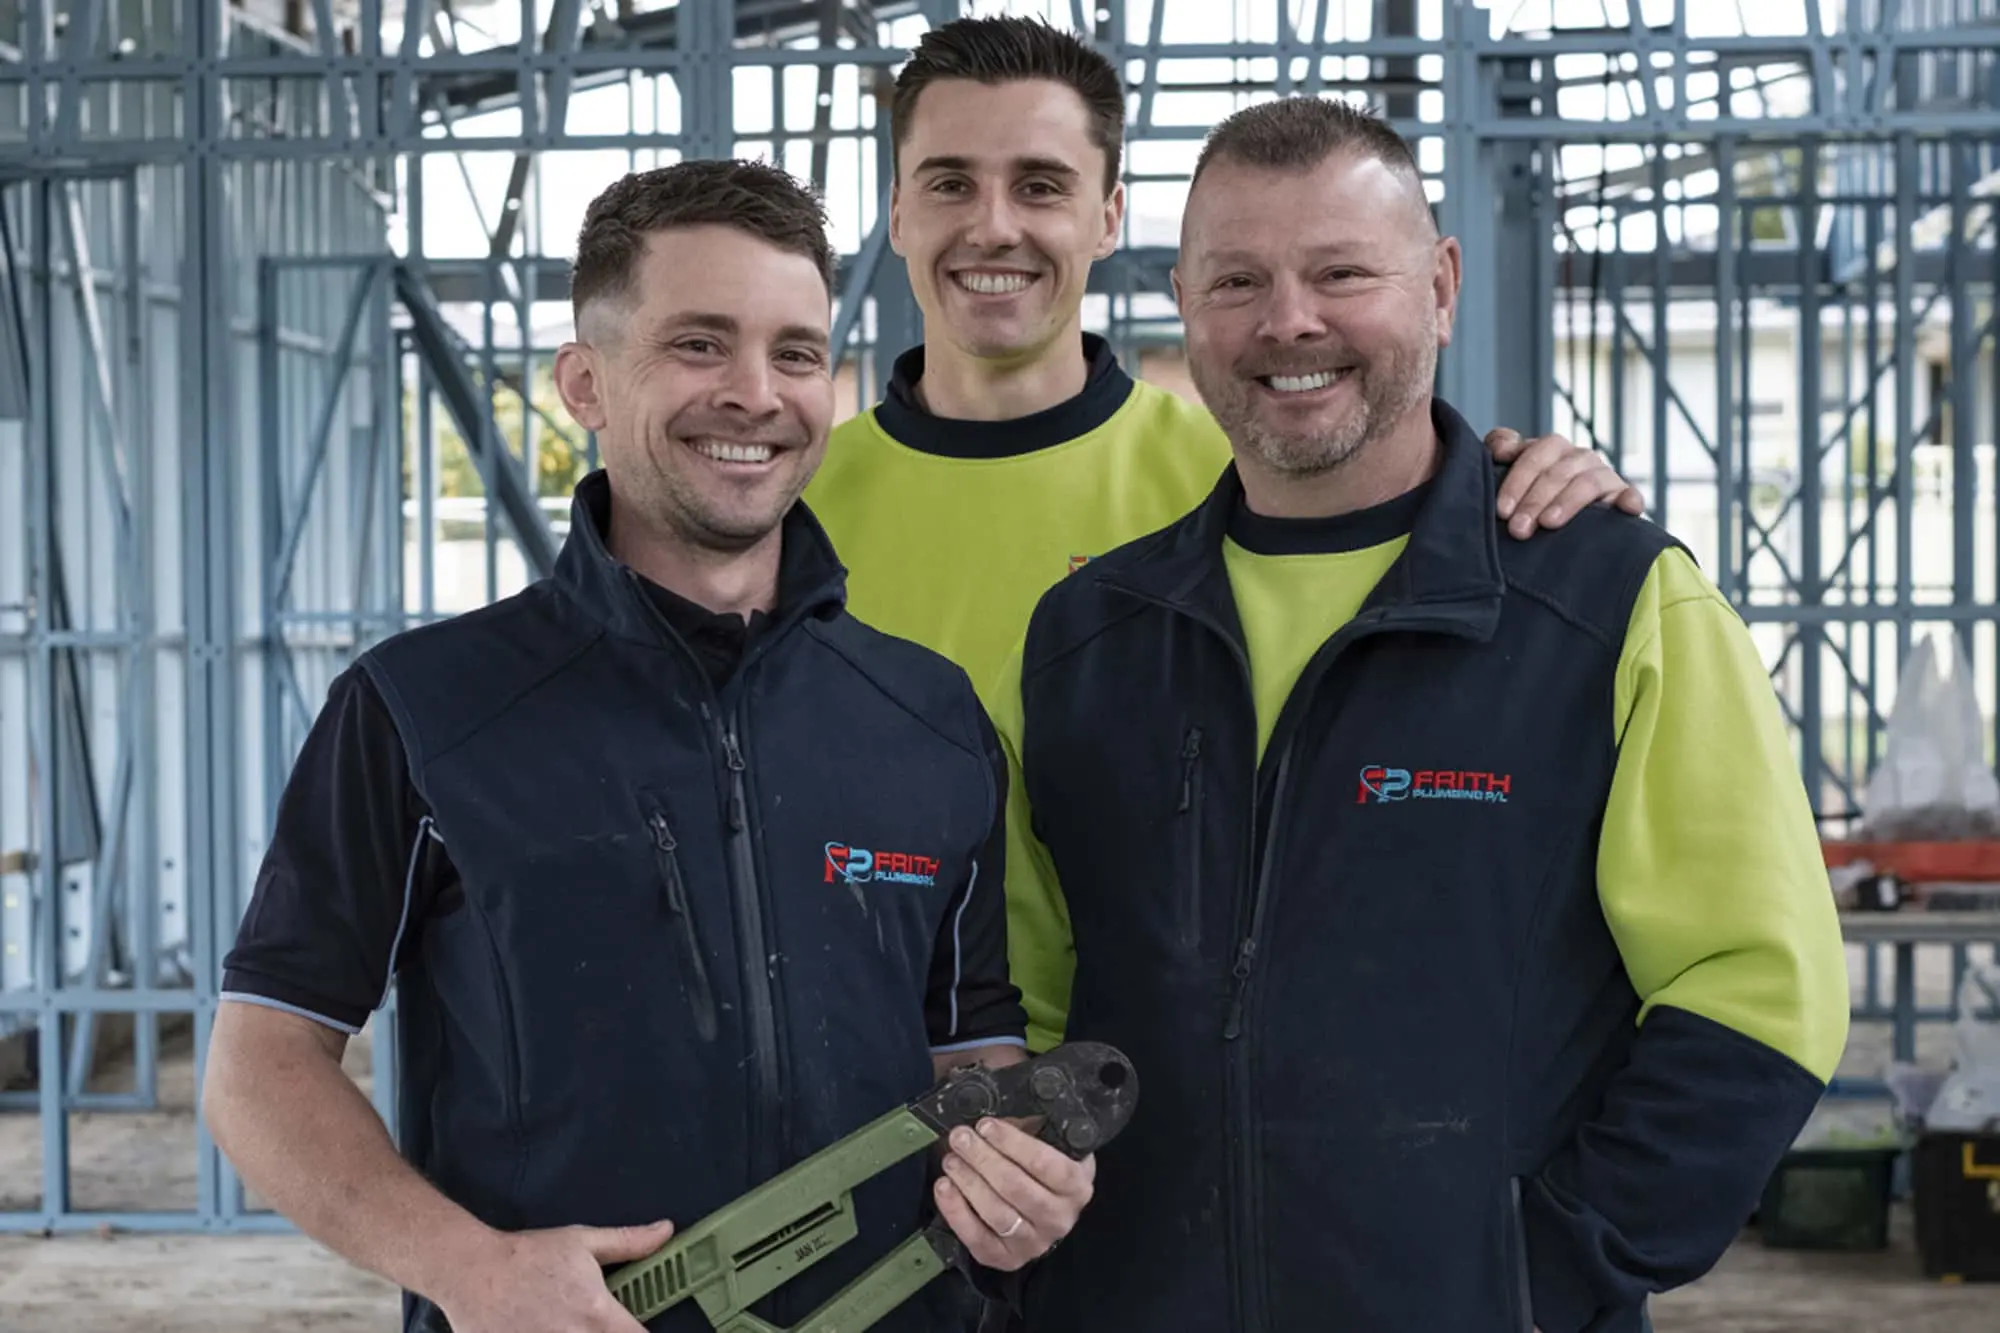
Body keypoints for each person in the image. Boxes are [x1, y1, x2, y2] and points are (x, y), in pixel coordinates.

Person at [991, 98, 1851, 1333]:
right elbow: (1022, 1008)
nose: (1288, 321)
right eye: (1238, 279)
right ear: (1181, 299)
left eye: (1341, 272)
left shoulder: (1605, 605)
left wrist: (1547, 1271)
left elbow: (1756, 989)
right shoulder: (1089, 640)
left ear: (1440, 285)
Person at [199, 159, 1094, 1333]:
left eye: (793, 353)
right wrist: (468, 1268)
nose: (754, 393)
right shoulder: (424, 709)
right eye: (697, 344)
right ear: (585, 380)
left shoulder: (926, 716)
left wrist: (1016, 1177)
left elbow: (962, 1045)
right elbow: (259, 1066)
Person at [803, 14, 1644, 717]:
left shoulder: (1252, 474)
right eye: (950, 184)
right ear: (898, 213)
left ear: (1108, 218)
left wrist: (1529, 488)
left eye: (1040, 186)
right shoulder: (793, 507)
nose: (993, 227)